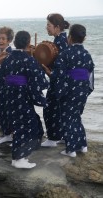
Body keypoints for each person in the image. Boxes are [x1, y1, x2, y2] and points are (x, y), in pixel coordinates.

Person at [0, 31, 48, 168]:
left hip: (9, 96)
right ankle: (18, 159)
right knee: (24, 126)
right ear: (28, 42)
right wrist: (41, 91)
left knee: (26, 124)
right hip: (22, 97)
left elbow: (0, 78)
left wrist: (4, 94)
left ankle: (22, 154)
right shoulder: (28, 60)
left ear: (14, 42)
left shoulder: (7, 59)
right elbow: (38, 80)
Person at [46, 24, 94, 157]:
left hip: (69, 90)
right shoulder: (87, 54)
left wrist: (49, 73)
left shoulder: (66, 54)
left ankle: (71, 149)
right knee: (76, 117)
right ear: (83, 39)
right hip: (82, 90)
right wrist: (85, 89)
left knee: (67, 118)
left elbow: (58, 75)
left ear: (70, 37)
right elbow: (89, 72)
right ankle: (82, 145)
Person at [42, 13, 70, 147]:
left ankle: (53, 138)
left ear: (57, 27)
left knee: (50, 109)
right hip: (65, 82)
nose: (47, 28)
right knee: (60, 109)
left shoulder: (60, 42)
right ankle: (63, 136)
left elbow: (60, 66)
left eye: (49, 25)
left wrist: (48, 71)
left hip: (58, 81)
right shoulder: (63, 39)